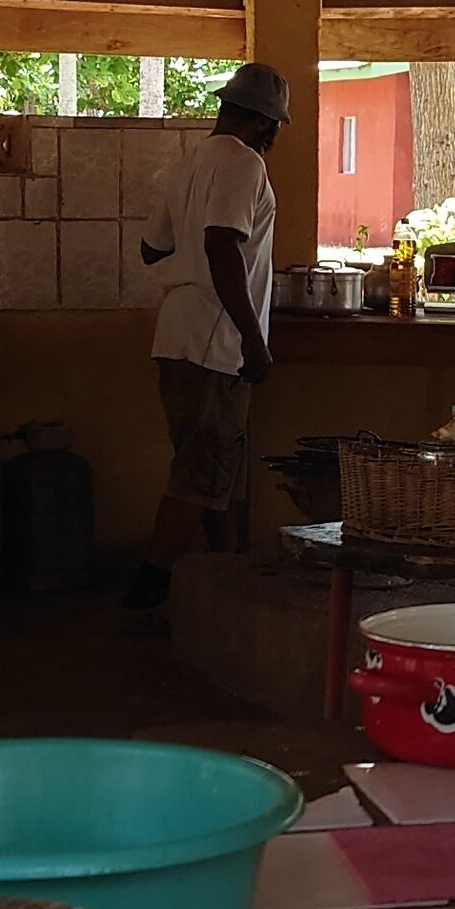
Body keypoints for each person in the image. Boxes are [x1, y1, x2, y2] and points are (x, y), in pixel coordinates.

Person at [121, 63, 288, 611]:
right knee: (200, 472)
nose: (275, 136)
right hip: (216, 342)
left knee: (212, 469)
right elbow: (221, 244)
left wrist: (193, 230)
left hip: (175, 336)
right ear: (262, 122)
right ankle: (148, 588)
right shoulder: (244, 164)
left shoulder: (189, 162)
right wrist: (253, 340)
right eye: (275, 125)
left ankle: (229, 583)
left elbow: (152, 248)